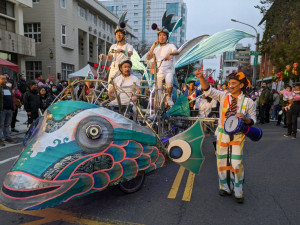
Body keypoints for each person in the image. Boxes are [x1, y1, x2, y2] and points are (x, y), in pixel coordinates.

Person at [195, 70, 256, 204]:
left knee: (236, 163)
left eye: (234, 83)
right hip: (222, 134)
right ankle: (224, 187)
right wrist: (201, 77)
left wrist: (245, 118)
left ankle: (238, 190)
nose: (230, 85)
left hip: (238, 135)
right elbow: (208, 90)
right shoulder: (223, 96)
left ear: (241, 85)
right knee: (221, 162)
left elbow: (253, 120)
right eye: (229, 83)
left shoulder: (249, 102)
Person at [147, 28, 179, 106]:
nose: (162, 37)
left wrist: (170, 54)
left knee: (169, 80)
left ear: (167, 37)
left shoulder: (170, 46)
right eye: (160, 35)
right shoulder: (156, 48)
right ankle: (156, 112)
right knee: (158, 93)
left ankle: (169, 97)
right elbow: (148, 57)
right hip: (160, 71)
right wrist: (153, 46)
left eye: (164, 35)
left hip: (169, 70)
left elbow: (177, 51)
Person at [0, 75, 15, 145]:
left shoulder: (8, 88)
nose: (4, 80)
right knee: (1, 125)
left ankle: (7, 137)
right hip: (2, 110)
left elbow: (11, 99)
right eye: (2, 79)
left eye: (5, 79)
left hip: (9, 109)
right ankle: (0, 139)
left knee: (7, 124)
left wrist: (12, 108)